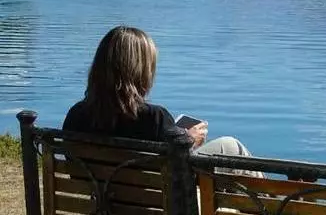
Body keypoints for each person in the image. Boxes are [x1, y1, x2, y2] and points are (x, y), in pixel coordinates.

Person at [63, 25, 262, 177]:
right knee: (230, 146)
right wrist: (189, 140)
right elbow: (178, 168)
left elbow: (74, 169)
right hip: (158, 205)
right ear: (140, 71)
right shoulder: (154, 118)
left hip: (105, 203)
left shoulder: (76, 115)